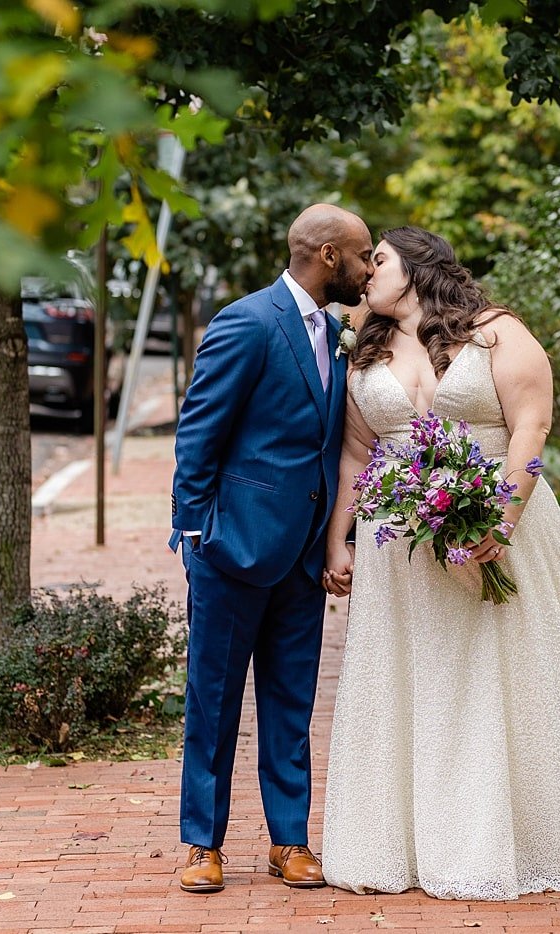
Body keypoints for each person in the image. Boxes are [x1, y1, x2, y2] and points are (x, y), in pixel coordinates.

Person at [319, 227, 560, 900]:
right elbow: (355, 454)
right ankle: (418, 839)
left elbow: (531, 427)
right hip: (400, 545)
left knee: (508, 674)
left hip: (499, 522)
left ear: (418, 267)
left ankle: (524, 831)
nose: (366, 272)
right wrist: (336, 541)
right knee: (419, 682)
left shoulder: (494, 333)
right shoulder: (364, 347)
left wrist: (501, 521)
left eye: (379, 260)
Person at [169, 204, 375, 894]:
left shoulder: (341, 334)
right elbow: (198, 432)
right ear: (327, 255)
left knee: (292, 704)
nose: (367, 268)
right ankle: (202, 843)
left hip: (303, 556)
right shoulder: (247, 322)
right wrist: (195, 533)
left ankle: (289, 840)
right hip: (232, 549)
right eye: (361, 254)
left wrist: (334, 538)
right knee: (214, 702)